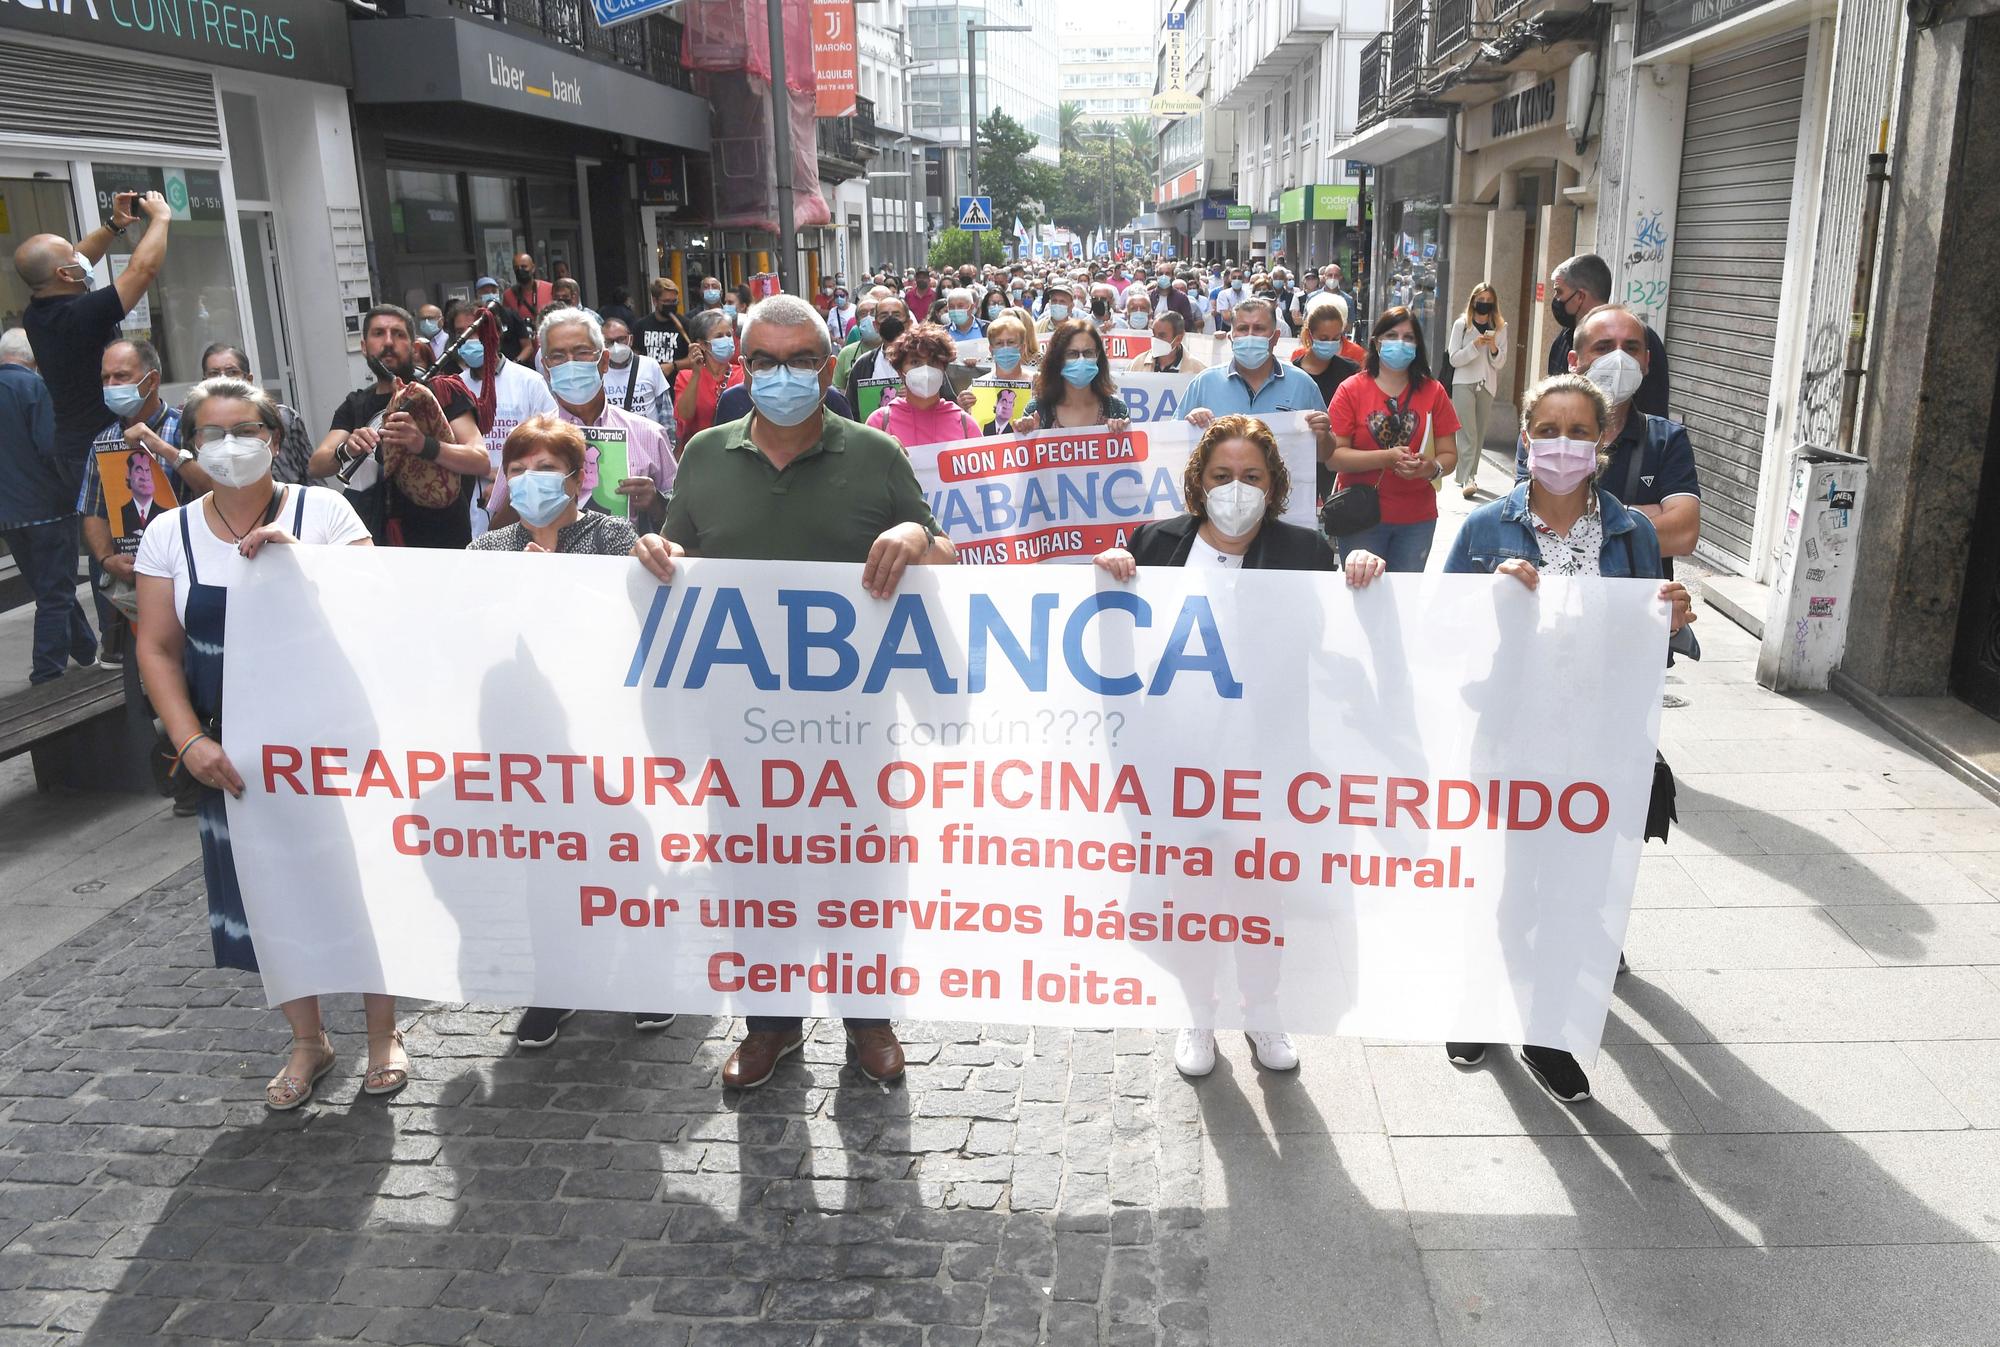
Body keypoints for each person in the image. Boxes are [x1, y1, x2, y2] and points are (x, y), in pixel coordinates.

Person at [629, 293, 956, 1090]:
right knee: (753, 875)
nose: (783, 376)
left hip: (855, 725)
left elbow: (944, 553)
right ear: (743, 366)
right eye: (765, 361)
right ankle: (769, 1023)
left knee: (863, 873)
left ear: (828, 365)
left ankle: (868, 1021)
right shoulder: (705, 452)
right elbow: (682, 556)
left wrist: (915, 535)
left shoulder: (874, 454)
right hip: (740, 724)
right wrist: (656, 549)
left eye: (801, 360)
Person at [1342, 372, 1696, 1103]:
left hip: (1596, 748)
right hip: (1506, 739)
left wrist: (1674, 613)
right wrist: (1485, 596)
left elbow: (1644, 638)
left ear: (1601, 441)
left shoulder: (1629, 532)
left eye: (1580, 430)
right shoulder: (1483, 529)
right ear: (1526, 436)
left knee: (1575, 892)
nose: (1563, 444)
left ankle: (1547, 1030)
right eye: (1549, 429)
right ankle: (1478, 1008)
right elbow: (1436, 631)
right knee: (1498, 884)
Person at [132, 376, 402, 1110]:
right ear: (191, 444)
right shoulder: (170, 532)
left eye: (243, 429)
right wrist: (189, 743)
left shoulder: (325, 511)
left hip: (335, 743)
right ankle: (309, 1038)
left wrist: (305, 566)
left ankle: (384, 1030)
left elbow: (379, 608)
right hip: (235, 756)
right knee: (270, 893)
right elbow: (156, 647)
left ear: (274, 439)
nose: (229, 445)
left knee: (361, 884)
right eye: (211, 433)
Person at [1093, 413, 1335, 1075]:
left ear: (1274, 484)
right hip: (1174, 760)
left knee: (1258, 894)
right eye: (1222, 475)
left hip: (1260, 759)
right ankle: (1199, 1013)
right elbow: (1117, 636)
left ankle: (1263, 1011)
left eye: (1250, 476)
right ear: (1199, 482)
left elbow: (1331, 637)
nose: (1235, 487)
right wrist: (1109, 572)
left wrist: (1365, 574)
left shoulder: (1304, 550)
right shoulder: (1155, 540)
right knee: (1185, 897)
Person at [1523, 304, 1701, 575]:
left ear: (1646, 361)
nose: (1619, 359)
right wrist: (1642, 516)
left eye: (1631, 348)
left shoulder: (1666, 439)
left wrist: (1578, 524)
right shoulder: (1544, 436)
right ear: (1574, 361)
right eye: (1604, 347)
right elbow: (1528, 528)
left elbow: (1684, 534)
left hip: (1637, 606)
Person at [15, 189, 171, 472]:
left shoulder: (36, 312)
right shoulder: (79, 315)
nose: (80, 253)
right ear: (64, 274)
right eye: (73, 253)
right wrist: (161, 218)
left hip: (73, 446)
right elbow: (142, 270)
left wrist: (113, 225)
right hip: (99, 449)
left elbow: (65, 263)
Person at [307, 305, 488, 549]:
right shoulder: (355, 404)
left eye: (399, 334)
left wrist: (423, 444)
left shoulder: (442, 393)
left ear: (413, 348)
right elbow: (317, 465)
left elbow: (479, 459)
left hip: (441, 542)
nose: (389, 342)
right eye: (379, 333)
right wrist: (347, 449)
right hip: (374, 542)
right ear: (364, 346)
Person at [486, 307, 677, 537]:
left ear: (604, 360)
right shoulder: (525, 439)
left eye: (582, 352)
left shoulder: (649, 435)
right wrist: (524, 493)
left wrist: (656, 503)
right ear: (546, 369)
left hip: (625, 568)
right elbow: (497, 532)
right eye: (557, 356)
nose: (570, 363)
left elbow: (681, 523)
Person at [1325, 306, 1460, 571]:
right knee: (1363, 596)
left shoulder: (1434, 392)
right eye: (1392, 335)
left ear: (1418, 345)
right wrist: (1385, 458)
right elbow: (1334, 457)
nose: (1401, 343)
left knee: (1404, 599)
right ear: (1376, 342)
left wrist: (1430, 468)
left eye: (1409, 337)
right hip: (1360, 517)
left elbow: (1450, 455)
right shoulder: (1350, 390)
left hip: (1417, 519)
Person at [0, 327, 97, 684]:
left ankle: (86, 649)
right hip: (47, 508)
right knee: (56, 593)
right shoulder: (33, 388)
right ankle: (47, 672)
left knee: (50, 587)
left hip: (8, 515)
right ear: (34, 358)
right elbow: (49, 445)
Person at [441, 298, 558, 538]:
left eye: (474, 331)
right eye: (460, 333)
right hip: (468, 504)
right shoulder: (452, 387)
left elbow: (551, 440)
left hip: (522, 501)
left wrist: (504, 482)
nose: (468, 340)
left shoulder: (529, 382)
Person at [1546, 254, 1669, 418]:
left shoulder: (1645, 338)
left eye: (1559, 292)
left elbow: (1653, 406)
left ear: (1580, 296)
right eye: (1602, 347)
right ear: (1573, 360)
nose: (1556, 299)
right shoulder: (1564, 339)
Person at [1178, 297, 1329, 430]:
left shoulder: (1302, 384)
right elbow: (1174, 442)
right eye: (1242, 328)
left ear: (1275, 337)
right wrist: (1188, 424)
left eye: (1259, 328)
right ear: (1231, 338)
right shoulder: (1204, 383)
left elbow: (1325, 452)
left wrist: (1323, 435)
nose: (1250, 335)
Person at [200, 343, 318, 486]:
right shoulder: (199, 428)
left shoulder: (285, 418)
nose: (223, 379)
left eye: (231, 372)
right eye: (214, 374)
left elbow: (312, 472)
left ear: (248, 379)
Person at [866, 323, 982, 449]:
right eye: (915, 362)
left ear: (944, 369)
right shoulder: (880, 422)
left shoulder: (965, 423)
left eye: (933, 362)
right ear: (900, 371)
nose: (925, 370)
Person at [1447, 283, 1509, 500]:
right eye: (1480, 299)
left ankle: (1469, 475)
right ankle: (1467, 477)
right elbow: (1454, 358)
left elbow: (1500, 363)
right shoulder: (1461, 325)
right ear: (1473, 301)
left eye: (1488, 300)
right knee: (1467, 431)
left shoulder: (1500, 327)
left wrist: (1492, 347)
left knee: (1479, 432)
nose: (1484, 304)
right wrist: (1474, 345)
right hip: (1463, 383)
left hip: (1487, 384)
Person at [1011, 320, 1131, 433]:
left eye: (1088, 353)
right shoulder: (1037, 410)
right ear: (1058, 358)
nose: (1081, 360)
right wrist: (1029, 435)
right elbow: (1026, 453)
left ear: (1098, 355)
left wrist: (1121, 433)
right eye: (1072, 354)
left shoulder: (1116, 409)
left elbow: (1132, 452)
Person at [673, 309, 743, 441]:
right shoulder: (686, 377)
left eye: (729, 335)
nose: (726, 340)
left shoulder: (744, 373)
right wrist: (696, 374)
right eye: (719, 336)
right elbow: (685, 415)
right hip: (700, 453)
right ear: (702, 344)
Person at [600, 314, 676, 433]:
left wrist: (669, 443)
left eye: (621, 339)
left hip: (648, 438)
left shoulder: (650, 365)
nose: (616, 346)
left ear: (630, 339)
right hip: (613, 443)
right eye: (609, 342)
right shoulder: (596, 371)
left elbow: (665, 410)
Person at [1289, 298, 1363, 406]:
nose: (1330, 343)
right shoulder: (1293, 373)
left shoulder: (1350, 371)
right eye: (1324, 338)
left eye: (1335, 338)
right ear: (1310, 334)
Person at [842, 295, 910, 409]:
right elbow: (851, 409)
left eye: (896, 315)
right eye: (884, 316)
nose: (890, 319)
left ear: (908, 323)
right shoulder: (862, 365)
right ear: (876, 325)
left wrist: (919, 397)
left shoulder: (925, 360)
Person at [632, 277, 697, 378]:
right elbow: (634, 358)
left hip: (677, 385)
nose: (671, 305)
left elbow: (696, 358)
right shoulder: (641, 326)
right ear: (655, 301)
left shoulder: (686, 325)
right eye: (666, 301)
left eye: (674, 301)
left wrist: (673, 366)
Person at [1128, 310, 1205, 375]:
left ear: (1178, 338)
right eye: (1154, 334)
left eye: (1162, 335)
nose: (1156, 339)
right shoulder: (1137, 365)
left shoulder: (1198, 371)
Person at [476, 276, 533, 363]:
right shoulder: (476, 318)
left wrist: (515, 363)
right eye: (485, 292)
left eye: (493, 291)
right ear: (478, 295)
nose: (491, 294)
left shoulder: (511, 315)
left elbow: (527, 347)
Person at [502, 253, 556, 335]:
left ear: (533, 268)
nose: (520, 270)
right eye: (516, 268)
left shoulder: (550, 289)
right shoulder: (508, 295)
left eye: (524, 267)